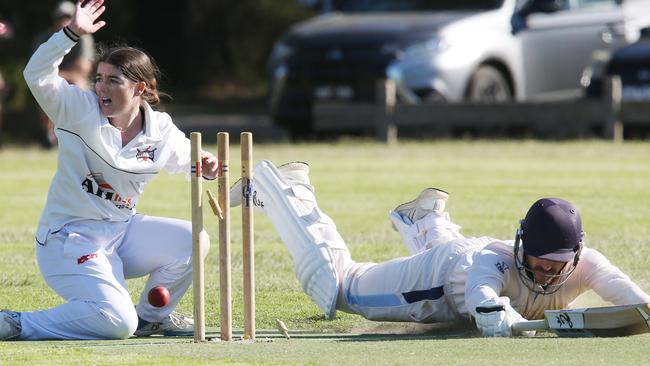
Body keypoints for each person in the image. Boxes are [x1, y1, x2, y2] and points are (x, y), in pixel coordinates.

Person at [228, 160, 650, 337]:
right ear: (522, 246)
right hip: (440, 281)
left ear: (576, 254)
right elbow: (484, 306)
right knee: (341, 287)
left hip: (463, 256)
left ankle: (426, 219)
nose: (547, 271)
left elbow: (631, 299)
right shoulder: (495, 263)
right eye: (540, 260)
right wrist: (505, 318)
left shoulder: (588, 263)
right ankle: (290, 189)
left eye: (558, 264)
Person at [0, 0, 217, 341]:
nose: (101, 88)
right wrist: (69, 34)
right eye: (99, 79)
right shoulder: (76, 108)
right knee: (117, 322)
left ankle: (152, 318)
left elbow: (191, 158)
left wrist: (206, 164)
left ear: (139, 89)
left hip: (122, 233)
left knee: (194, 239)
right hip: (68, 239)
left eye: (112, 81)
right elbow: (36, 75)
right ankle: (15, 323)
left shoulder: (159, 128)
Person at [32, 1, 96, 148]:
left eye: (68, 17)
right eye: (61, 17)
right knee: (44, 90)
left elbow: (83, 68)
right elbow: (36, 67)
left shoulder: (84, 37)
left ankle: (82, 134)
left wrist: (54, 72)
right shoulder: (43, 37)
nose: (64, 21)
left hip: (75, 80)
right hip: (58, 78)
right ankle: (49, 136)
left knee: (79, 85)